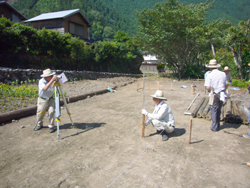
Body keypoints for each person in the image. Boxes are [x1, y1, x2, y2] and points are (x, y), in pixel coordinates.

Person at [205, 59, 227, 132]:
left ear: (210, 67)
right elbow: (226, 84)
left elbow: (208, 87)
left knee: (213, 110)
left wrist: (209, 91)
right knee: (218, 109)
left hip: (214, 93)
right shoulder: (223, 74)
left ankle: (214, 126)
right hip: (222, 94)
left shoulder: (209, 75)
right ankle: (217, 124)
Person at [36, 68, 57, 133]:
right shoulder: (41, 81)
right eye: (50, 76)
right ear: (46, 77)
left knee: (51, 111)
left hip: (50, 99)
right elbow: (45, 88)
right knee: (40, 113)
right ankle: (39, 124)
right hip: (42, 99)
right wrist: (52, 81)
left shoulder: (52, 80)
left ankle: (51, 125)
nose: (51, 77)